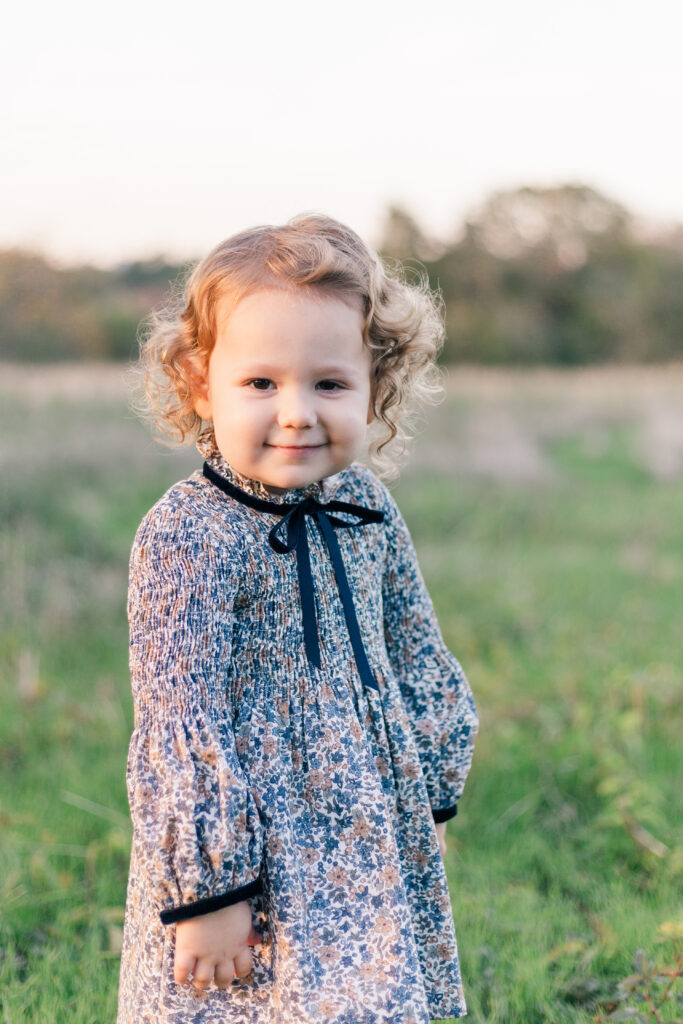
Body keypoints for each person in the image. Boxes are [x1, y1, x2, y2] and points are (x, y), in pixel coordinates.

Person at [116, 213, 479, 1024]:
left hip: (365, 822)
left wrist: (424, 794)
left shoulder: (365, 505)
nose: (295, 413)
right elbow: (181, 724)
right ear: (199, 384)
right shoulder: (189, 534)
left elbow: (414, 651)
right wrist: (211, 890)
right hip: (254, 837)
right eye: (260, 383)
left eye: (328, 384)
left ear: (376, 385)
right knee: (249, 1001)